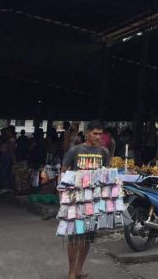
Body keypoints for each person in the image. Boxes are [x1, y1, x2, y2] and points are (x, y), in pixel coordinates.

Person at [61, 119, 109, 279]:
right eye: (95, 133)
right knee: (74, 236)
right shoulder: (74, 151)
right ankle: (71, 271)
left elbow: (105, 174)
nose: (98, 137)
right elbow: (64, 171)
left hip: (94, 200)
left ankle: (80, 268)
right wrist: (62, 194)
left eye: (100, 134)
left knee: (88, 237)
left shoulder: (104, 152)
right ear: (88, 133)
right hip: (76, 199)